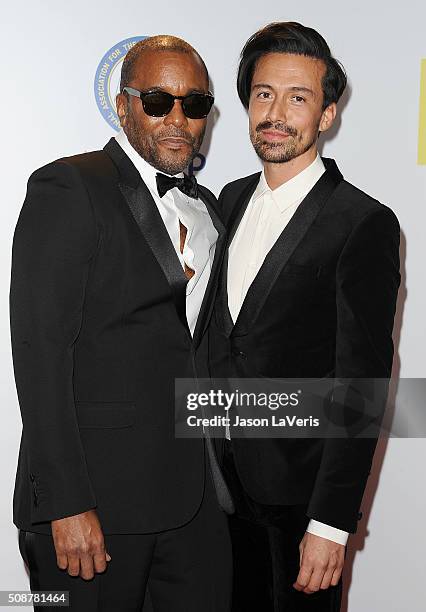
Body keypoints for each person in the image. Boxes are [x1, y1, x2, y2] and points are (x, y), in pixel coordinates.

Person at [10, 35, 232, 612]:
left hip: (191, 504)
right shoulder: (70, 186)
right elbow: (40, 354)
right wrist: (65, 504)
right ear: (123, 102)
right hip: (92, 509)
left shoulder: (207, 206)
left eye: (196, 103)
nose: (179, 119)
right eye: (158, 101)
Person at [208, 21, 400, 611]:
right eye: (264, 94)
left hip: (301, 502)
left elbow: (360, 382)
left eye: (299, 97)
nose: (276, 112)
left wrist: (332, 524)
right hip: (215, 491)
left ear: (327, 114)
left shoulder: (361, 223)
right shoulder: (228, 200)